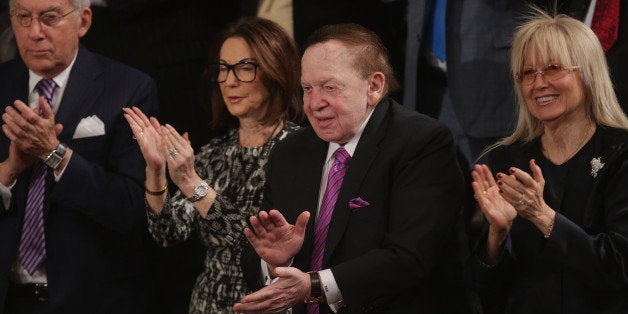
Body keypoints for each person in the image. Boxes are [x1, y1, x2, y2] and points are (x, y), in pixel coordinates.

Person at [234, 23, 469, 313]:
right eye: (307, 89)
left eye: (330, 87)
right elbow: (253, 255)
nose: (314, 104)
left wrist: (314, 286)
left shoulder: (422, 143)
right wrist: (276, 261)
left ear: (374, 86)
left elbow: (408, 259)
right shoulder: (291, 151)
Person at [124, 17, 302, 313]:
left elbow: (256, 243)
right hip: (207, 304)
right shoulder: (214, 152)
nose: (229, 80)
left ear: (275, 70)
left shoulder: (299, 149)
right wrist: (155, 171)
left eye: (244, 68)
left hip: (267, 305)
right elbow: (167, 233)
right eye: (222, 69)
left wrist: (193, 183)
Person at [0, 0, 159, 313]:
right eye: (22, 17)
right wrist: (9, 170)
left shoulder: (129, 88)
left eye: (49, 18)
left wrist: (53, 153)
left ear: (83, 21)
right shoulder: (3, 84)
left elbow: (129, 207)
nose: (34, 32)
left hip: (89, 299)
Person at [470, 8, 628, 314]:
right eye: (528, 73)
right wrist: (496, 236)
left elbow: (618, 268)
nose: (538, 83)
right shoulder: (508, 159)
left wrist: (543, 216)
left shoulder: (620, 154)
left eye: (553, 68)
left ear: (588, 73)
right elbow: (488, 293)